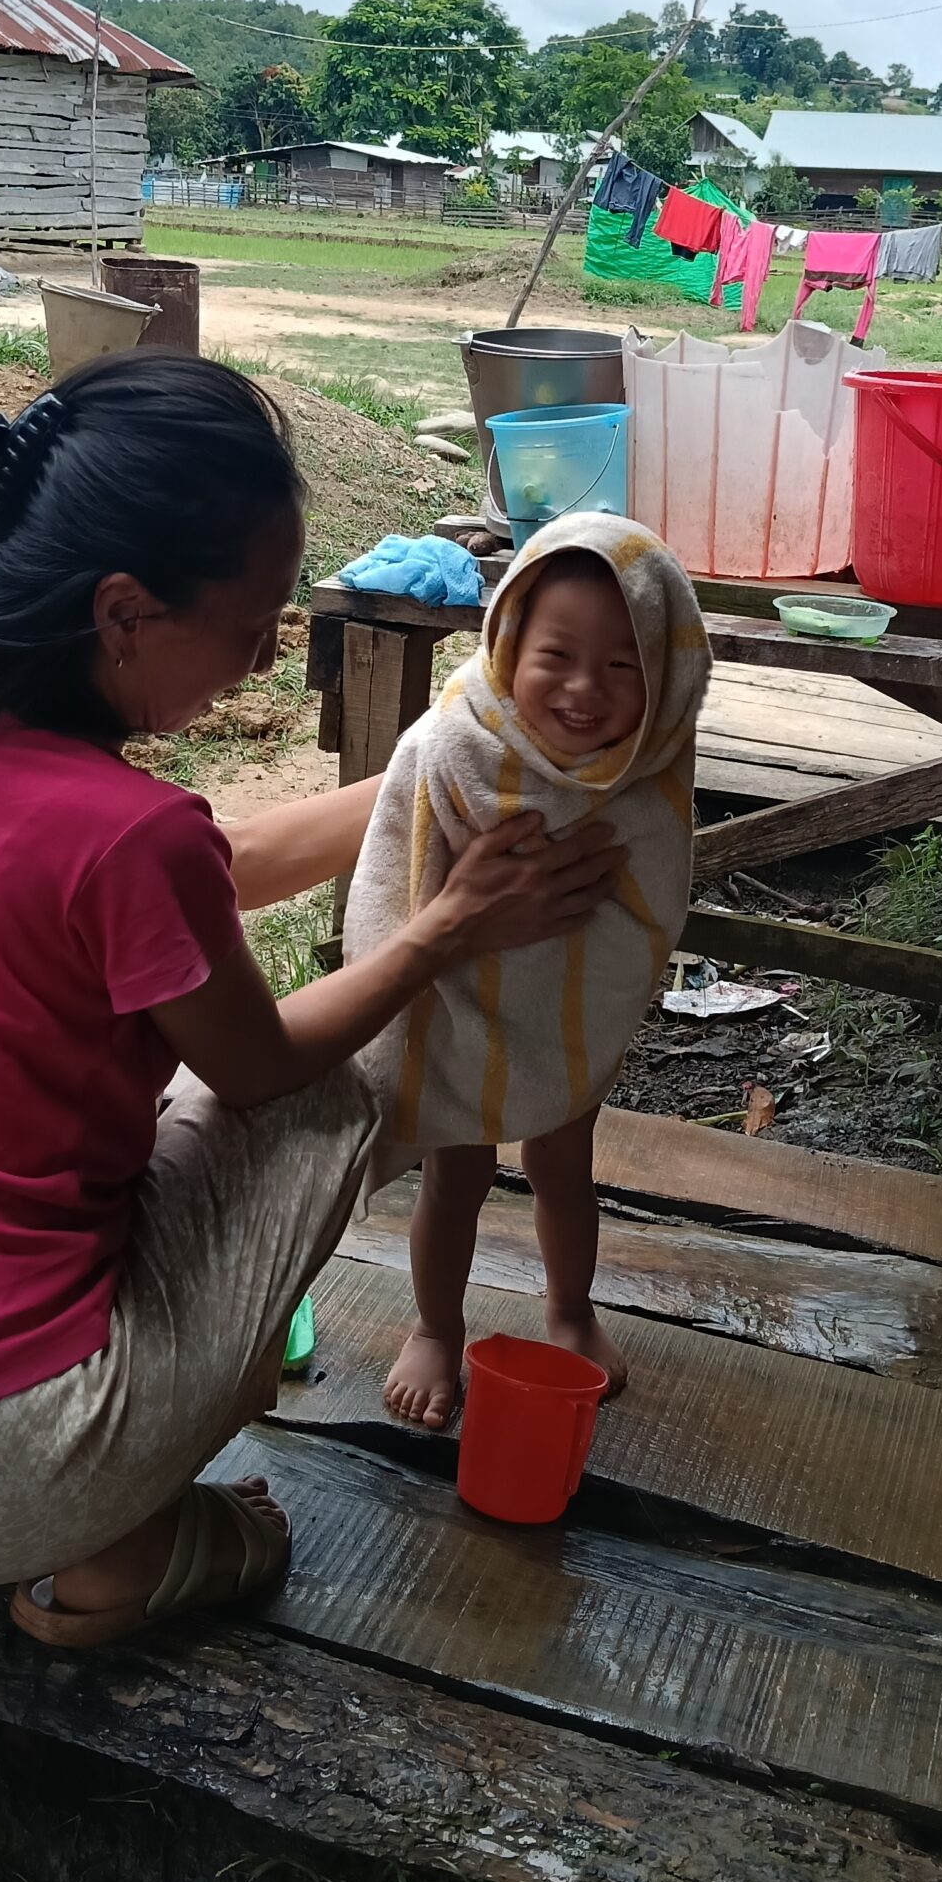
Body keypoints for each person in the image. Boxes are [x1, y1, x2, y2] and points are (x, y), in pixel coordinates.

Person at [0, 354, 623, 1649]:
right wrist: (448, 927)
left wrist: (428, 779)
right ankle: (133, 1546)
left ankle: (91, 1484)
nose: (262, 660)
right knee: (354, 1077)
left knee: (220, 1073)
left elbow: (210, 871)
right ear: (126, 614)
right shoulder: (135, 839)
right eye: (251, 626)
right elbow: (260, 1067)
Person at [343, 512, 709, 1429]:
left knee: (563, 1164)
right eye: (557, 656)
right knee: (455, 1177)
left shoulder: (649, 763)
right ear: (509, 642)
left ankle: (570, 1311)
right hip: (462, 1002)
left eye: (623, 664)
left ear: (665, 674)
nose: (586, 689)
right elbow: (396, 871)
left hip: (567, 1009)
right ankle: (435, 1326)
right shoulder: (455, 741)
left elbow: (653, 891)